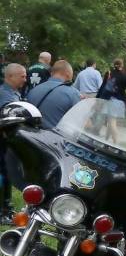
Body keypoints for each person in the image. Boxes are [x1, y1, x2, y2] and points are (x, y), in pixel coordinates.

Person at [0, 64, 27, 223]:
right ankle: (4, 211)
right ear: (10, 77)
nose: (25, 79)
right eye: (22, 76)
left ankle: (5, 209)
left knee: (6, 173)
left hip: (6, 142)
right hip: (3, 142)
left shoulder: (11, 93)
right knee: (3, 174)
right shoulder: (5, 96)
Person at [27, 60, 81, 129]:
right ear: (68, 75)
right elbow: (80, 121)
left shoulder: (34, 90)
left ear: (52, 73)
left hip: (30, 134)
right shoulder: (73, 93)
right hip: (53, 138)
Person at [97, 58, 126, 143]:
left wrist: (97, 99)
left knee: (112, 122)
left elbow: (103, 87)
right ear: (122, 66)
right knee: (111, 121)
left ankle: (116, 142)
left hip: (109, 100)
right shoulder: (125, 77)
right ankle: (106, 140)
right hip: (119, 102)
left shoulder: (109, 74)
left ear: (114, 65)